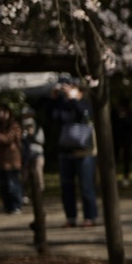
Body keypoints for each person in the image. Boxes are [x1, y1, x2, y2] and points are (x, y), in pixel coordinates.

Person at [50, 80, 99, 227]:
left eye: (72, 88)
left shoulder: (84, 104)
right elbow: (54, 117)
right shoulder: (63, 105)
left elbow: (85, 114)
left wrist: (72, 99)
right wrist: (55, 99)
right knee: (66, 186)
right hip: (66, 150)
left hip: (84, 151)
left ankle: (90, 217)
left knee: (86, 185)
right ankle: (70, 217)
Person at [0, 105, 23, 215]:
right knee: (3, 185)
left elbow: (8, 139)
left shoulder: (14, 126)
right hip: (0, 161)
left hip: (12, 160)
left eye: (2, 112)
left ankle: (16, 205)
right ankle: (8, 206)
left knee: (13, 184)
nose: (0, 114)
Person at [20, 108, 45, 200]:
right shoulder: (21, 128)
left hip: (37, 152)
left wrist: (32, 135)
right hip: (26, 154)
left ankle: (40, 191)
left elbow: (42, 141)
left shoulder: (37, 127)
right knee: (25, 174)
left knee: (38, 170)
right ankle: (25, 194)